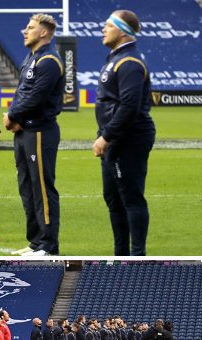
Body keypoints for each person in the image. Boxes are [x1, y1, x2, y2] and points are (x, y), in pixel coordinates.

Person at [93, 10, 155, 256]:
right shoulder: (116, 59)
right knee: (113, 198)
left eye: (108, 25)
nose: (103, 29)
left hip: (128, 139)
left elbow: (129, 106)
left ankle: (137, 256)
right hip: (115, 139)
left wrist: (106, 136)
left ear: (121, 30)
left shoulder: (129, 62)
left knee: (130, 198)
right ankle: (120, 254)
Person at [5, 14, 64, 256]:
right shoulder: (31, 59)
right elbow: (23, 93)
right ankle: (36, 242)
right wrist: (16, 118)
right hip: (24, 130)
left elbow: (37, 96)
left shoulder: (49, 60)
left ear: (43, 33)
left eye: (30, 28)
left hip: (40, 131)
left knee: (42, 188)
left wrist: (12, 115)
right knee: (27, 188)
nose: (24, 31)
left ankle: (49, 245)